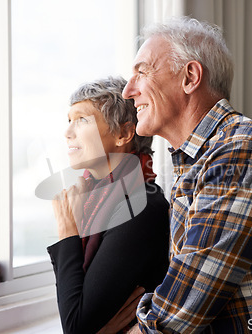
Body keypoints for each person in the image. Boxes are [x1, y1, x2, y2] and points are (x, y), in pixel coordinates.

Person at [122, 17, 252, 333]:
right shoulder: (203, 158)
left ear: (190, 77)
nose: (129, 90)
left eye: (141, 72)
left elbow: (182, 307)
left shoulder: (238, 152)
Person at [47, 77, 170, 334]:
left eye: (81, 120)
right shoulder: (92, 200)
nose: (68, 132)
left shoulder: (142, 204)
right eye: (69, 121)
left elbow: (76, 326)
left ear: (123, 134)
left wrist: (67, 230)